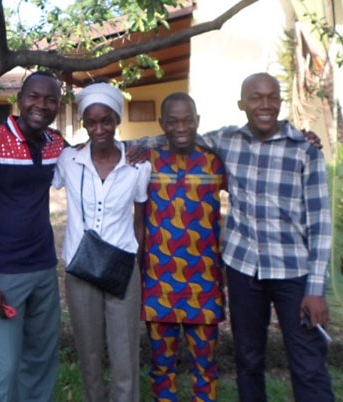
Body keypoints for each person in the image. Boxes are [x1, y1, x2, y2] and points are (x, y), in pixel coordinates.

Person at [132, 73, 334, 402]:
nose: (265, 104)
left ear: (280, 101)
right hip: (243, 270)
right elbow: (177, 136)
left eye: (272, 97)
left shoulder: (304, 151)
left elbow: (321, 223)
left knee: (307, 361)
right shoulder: (227, 141)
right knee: (248, 360)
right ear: (242, 104)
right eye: (256, 98)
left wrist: (316, 289)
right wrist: (118, 146)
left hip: (292, 273)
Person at [0, 71, 65, 402]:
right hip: (4, 276)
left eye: (50, 99)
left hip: (44, 270)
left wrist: (139, 150)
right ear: (20, 98)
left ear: (59, 105)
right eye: (34, 96)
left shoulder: (56, 144)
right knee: (5, 369)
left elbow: (99, 151)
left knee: (41, 361)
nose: (41, 105)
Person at [52, 82, 151, 402]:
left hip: (122, 267)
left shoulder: (138, 164)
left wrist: (136, 262)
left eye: (106, 120)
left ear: (117, 120)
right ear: (83, 124)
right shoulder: (69, 159)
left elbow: (140, 218)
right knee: (89, 351)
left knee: (124, 354)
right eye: (91, 122)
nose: (99, 129)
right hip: (80, 267)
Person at [141, 93, 226, 402]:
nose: (181, 127)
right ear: (162, 124)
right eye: (173, 121)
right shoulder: (146, 161)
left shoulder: (214, 162)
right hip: (158, 283)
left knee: (206, 367)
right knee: (162, 367)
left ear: (197, 122)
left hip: (203, 285)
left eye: (187, 120)